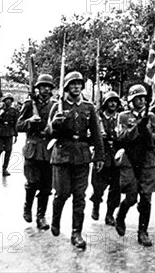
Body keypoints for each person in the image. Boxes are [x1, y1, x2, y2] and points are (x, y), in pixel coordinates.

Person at [47, 71, 105, 250]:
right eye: (73, 84)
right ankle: (55, 221)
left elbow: (96, 133)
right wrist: (55, 124)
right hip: (62, 154)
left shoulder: (88, 107)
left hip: (82, 155)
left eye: (79, 84)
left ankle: (76, 233)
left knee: (80, 196)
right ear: (66, 87)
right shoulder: (57, 106)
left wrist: (99, 156)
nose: (76, 87)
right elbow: (49, 133)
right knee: (62, 193)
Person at [114, 84, 155, 247]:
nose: (141, 101)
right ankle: (121, 215)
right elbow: (121, 137)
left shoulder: (152, 117)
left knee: (146, 198)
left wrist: (147, 132)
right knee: (131, 196)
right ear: (131, 100)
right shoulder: (123, 116)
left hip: (147, 159)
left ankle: (143, 231)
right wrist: (137, 128)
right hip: (130, 159)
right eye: (138, 98)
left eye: (143, 98)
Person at [17, 74, 55, 230]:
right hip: (33, 148)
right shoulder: (29, 104)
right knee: (32, 183)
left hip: (48, 149)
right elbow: (18, 126)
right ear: (37, 88)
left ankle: (41, 216)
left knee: (46, 186)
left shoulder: (55, 105)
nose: (46, 89)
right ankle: (27, 207)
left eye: (48, 87)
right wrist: (29, 122)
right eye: (43, 86)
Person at [90, 91, 122, 226]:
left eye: (115, 101)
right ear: (105, 103)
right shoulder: (98, 118)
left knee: (116, 188)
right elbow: (90, 136)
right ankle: (96, 204)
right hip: (101, 155)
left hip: (116, 156)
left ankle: (109, 214)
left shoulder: (120, 118)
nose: (113, 104)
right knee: (98, 186)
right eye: (110, 101)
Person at [0, 94, 18, 176]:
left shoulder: (14, 110)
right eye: (7, 100)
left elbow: (15, 123)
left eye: (10, 100)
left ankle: (4, 168)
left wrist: (16, 135)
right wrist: (0, 114)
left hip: (9, 132)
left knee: (8, 151)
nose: (8, 101)